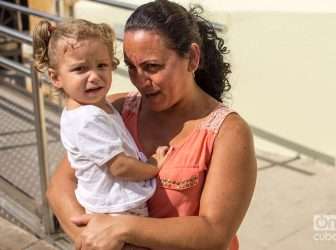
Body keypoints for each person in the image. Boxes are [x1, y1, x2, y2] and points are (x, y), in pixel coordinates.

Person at [46, 0, 257, 249]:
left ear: (192, 58)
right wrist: (91, 238)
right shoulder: (114, 110)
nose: (140, 80)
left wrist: (122, 228)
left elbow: (214, 232)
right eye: (132, 68)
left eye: (152, 67)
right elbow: (60, 187)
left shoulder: (228, 133)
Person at [33, 19, 167, 217]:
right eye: (80, 69)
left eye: (101, 65)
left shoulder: (87, 109)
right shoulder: (88, 118)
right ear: (56, 78)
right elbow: (119, 167)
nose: (94, 76)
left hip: (112, 207)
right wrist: (153, 165)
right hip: (119, 211)